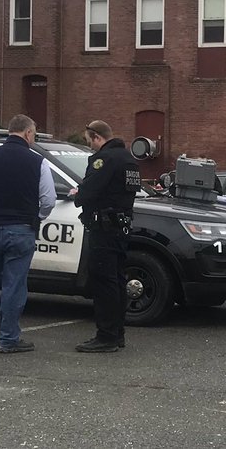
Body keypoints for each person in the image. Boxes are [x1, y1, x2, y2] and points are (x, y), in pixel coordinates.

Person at [0, 114, 55, 354]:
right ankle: (9, 338)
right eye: (34, 134)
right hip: (21, 228)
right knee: (14, 285)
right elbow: (48, 199)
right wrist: (37, 217)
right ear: (27, 133)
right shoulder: (38, 162)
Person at [70, 120, 140, 353]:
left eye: (89, 141)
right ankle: (117, 333)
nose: (90, 146)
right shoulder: (129, 159)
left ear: (97, 137)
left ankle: (106, 336)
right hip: (121, 227)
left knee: (103, 283)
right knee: (118, 281)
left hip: (104, 228)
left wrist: (78, 195)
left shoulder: (105, 159)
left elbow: (89, 191)